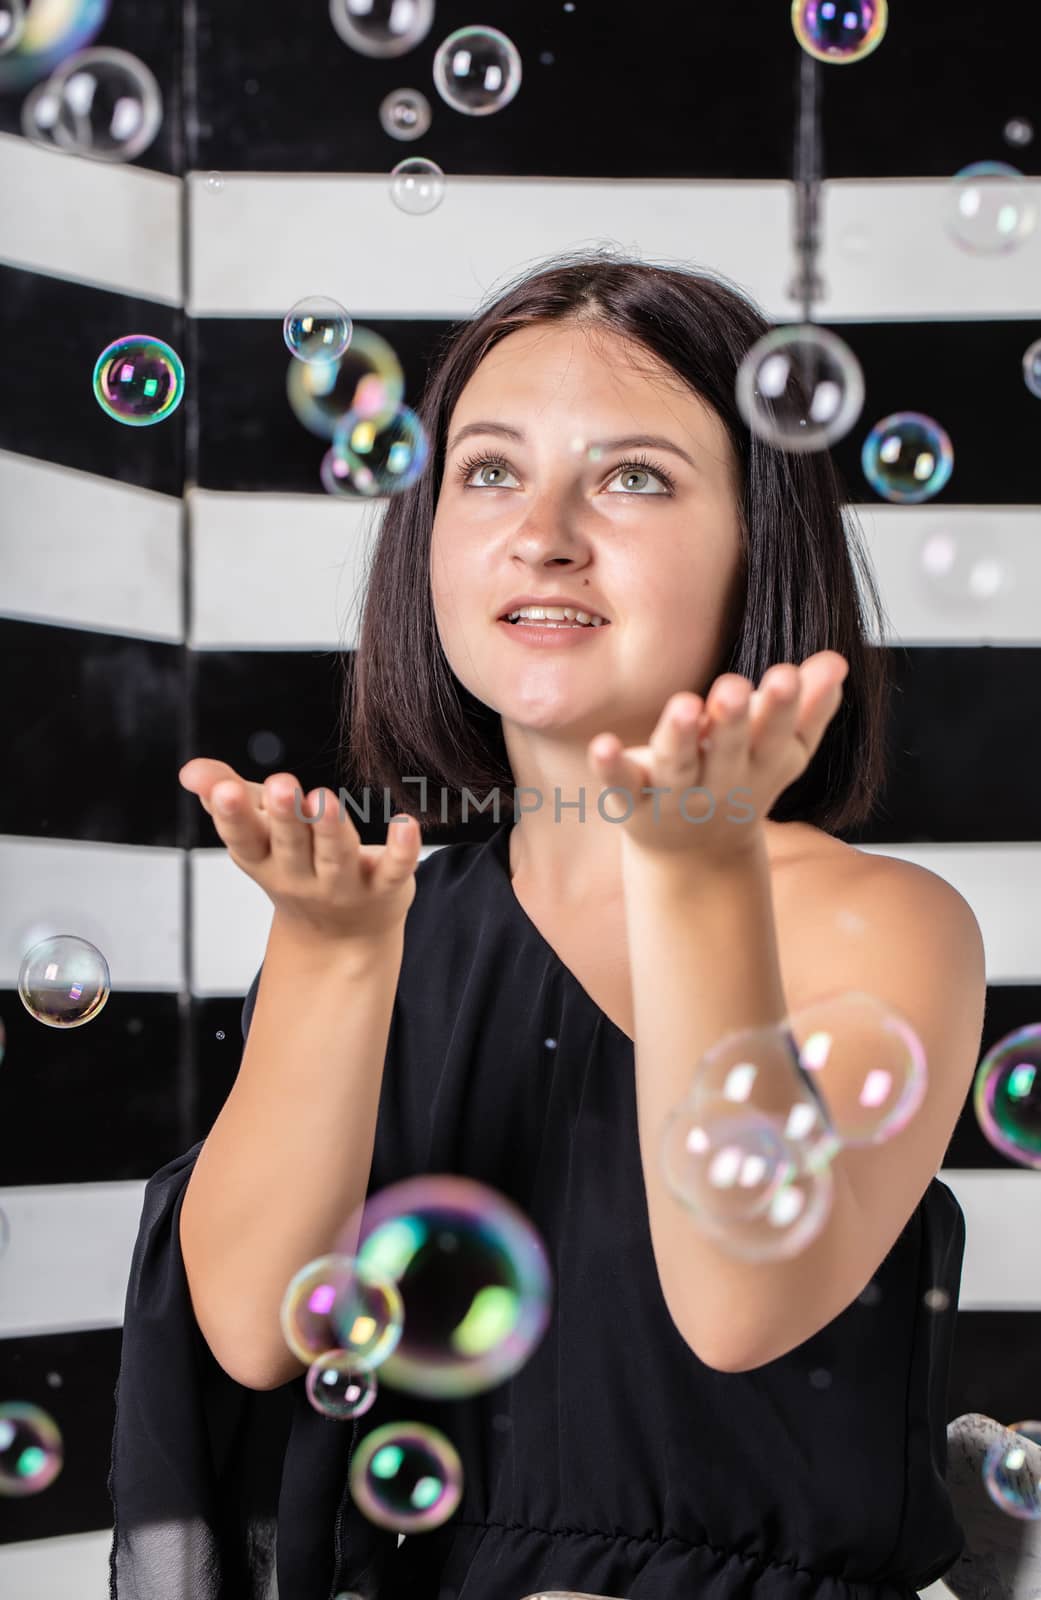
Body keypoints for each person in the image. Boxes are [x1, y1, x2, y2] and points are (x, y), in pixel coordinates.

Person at [108, 248, 986, 1600]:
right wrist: (336, 960)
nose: (546, 530)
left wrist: (694, 871)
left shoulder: (875, 924)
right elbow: (245, 1329)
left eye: (634, 476)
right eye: (489, 471)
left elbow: (739, 1306)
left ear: (763, 537)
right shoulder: (377, 921)